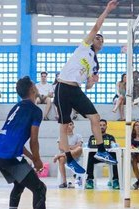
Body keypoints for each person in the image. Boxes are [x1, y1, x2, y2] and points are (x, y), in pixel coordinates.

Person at [54, 0, 119, 174]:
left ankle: (102, 151)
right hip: (62, 87)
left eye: (101, 39)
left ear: (102, 46)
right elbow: (96, 27)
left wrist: (91, 83)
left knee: (95, 117)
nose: (98, 38)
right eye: (97, 37)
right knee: (64, 125)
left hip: (76, 90)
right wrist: (107, 10)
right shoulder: (83, 48)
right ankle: (69, 159)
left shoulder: (95, 64)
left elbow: (88, 86)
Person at [0, 76, 46, 209]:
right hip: (9, 157)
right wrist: (37, 159)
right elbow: (34, 140)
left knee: (19, 183)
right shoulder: (35, 111)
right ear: (32, 89)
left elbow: (16, 142)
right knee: (40, 189)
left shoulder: (15, 108)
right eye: (35, 85)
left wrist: (32, 158)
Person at [85, 119, 120, 190]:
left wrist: (114, 145)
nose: (102, 127)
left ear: (106, 126)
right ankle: (90, 180)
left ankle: (115, 180)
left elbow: (114, 148)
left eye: (104, 125)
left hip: (108, 157)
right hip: (96, 158)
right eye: (100, 125)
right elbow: (89, 147)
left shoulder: (110, 137)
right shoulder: (92, 137)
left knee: (115, 157)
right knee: (90, 156)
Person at [53, 121, 83, 188]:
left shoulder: (78, 136)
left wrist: (66, 147)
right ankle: (64, 182)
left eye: (70, 124)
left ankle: (58, 155)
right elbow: (60, 147)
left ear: (73, 126)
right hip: (65, 157)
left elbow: (79, 146)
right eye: (67, 124)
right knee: (61, 159)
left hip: (76, 156)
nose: (69, 126)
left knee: (79, 149)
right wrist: (71, 147)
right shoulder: (62, 137)